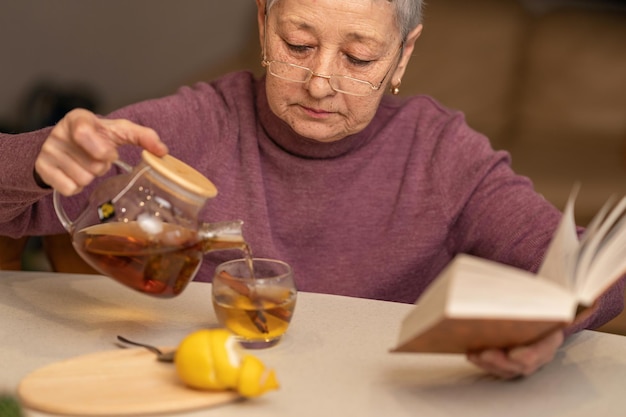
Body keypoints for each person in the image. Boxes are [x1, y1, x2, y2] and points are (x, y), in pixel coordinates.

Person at [0, 0, 623, 380]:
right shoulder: (195, 124)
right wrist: (39, 156)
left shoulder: (442, 153)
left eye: (359, 58)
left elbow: (590, 266)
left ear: (402, 56)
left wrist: (550, 325)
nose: (320, 84)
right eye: (297, 46)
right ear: (263, 23)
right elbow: (23, 205)